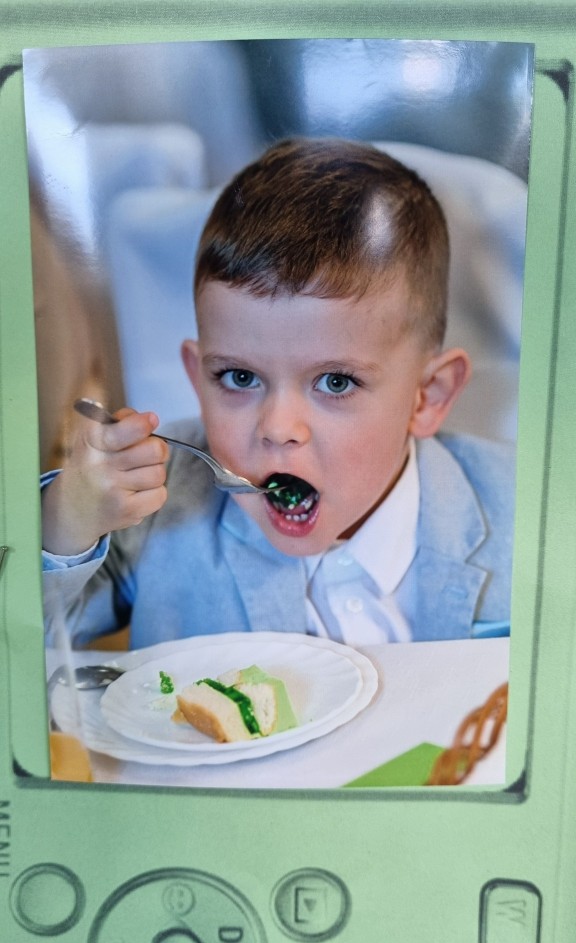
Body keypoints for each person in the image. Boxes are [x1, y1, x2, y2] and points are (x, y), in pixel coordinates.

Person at [41, 137, 514, 650]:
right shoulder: (162, 506)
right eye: (240, 378)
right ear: (198, 378)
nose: (277, 428)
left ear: (427, 396)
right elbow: (28, 631)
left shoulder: (532, 516)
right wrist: (68, 522)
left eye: (336, 382)